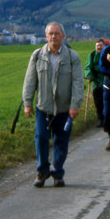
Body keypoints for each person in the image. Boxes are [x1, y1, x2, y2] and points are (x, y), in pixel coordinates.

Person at [22, 21, 84, 187]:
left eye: (57, 33)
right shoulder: (37, 55)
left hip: (64, 109)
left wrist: (75, 105)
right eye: (51, 34)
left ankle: (57, 173)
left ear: (63, 36)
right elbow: (29, 80)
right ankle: (42, 172)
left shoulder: (72, 57)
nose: (54, 36)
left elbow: (78, 83)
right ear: (46, 36)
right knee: (41, 138)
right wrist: (27, 103)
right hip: (44, 108)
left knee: (61, 142)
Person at [84, 38, 110, 127]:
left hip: (107, 81)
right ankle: (100, 119)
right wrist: (89, 76)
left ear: (104, 46)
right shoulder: (92, 55)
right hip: (96, 82)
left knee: (107, 101)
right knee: (98, 102)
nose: (99, 47)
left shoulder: (108, 55)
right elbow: (87, 67)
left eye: (100, 45)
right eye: (97, 45)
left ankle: (107, 119)